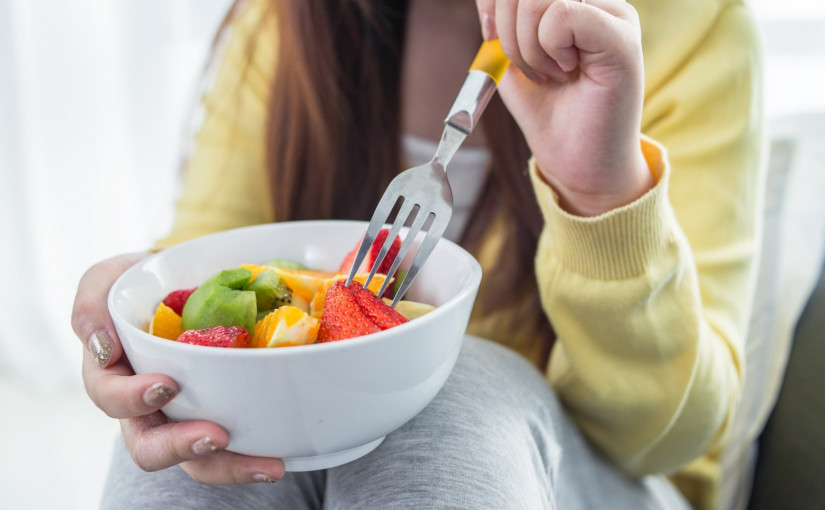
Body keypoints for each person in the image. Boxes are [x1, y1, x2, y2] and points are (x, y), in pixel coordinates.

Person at [71, 0, 764, 508]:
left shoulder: (692, 26)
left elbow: (667, 439)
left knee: (441, 394)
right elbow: (204, 269)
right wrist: (142, 323)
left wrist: (601, 195)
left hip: (603, 480)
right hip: (325, 459)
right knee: (194, 426)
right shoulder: (285, 21)